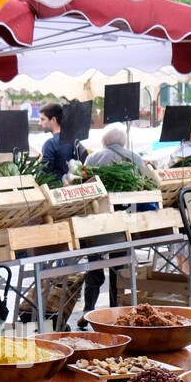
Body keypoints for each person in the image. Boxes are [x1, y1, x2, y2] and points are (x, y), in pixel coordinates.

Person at [78, 123, 147, 324]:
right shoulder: (136, 158)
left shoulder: (93, 158)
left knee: (95, 266)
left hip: (97, 224)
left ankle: (88, 311)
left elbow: (85, 185)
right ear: (123, 141)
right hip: (124, 223)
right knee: (119, 267)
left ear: (104, 141)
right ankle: (116, 313)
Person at [38, 102, 75, 182]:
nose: (39, 123)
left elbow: (44, 173)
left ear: (54, 120)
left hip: (55, 189)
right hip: (73, 188)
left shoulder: (50, 144)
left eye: (43, 119)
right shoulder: (74, 140)